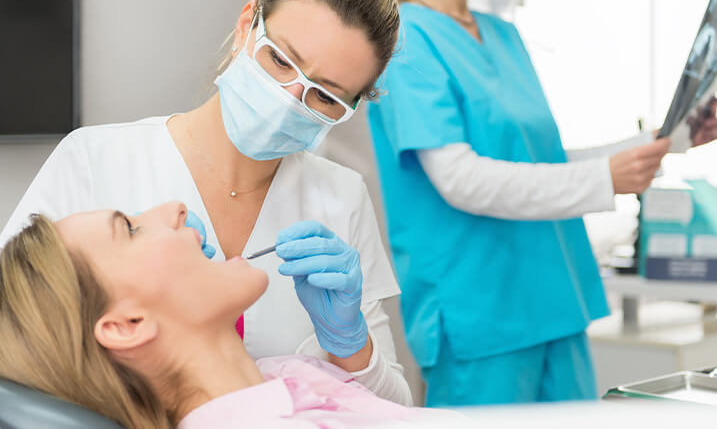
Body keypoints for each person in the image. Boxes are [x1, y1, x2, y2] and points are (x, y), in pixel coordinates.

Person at [364, 0, 717, 407]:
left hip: (555, 301)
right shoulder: (405, 42)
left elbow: (542, 159)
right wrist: (606, 180)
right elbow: (463, 180)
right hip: (480, 316)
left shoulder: (502, 36)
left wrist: (670, 141)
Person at [0, 0, 412, 404]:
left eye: (325, 96)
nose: (288, 100)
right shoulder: (93, 159)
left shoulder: (341, 196)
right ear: (245, 27)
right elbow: (15, 347)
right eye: (279, 59)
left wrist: (351, 346)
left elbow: (394, 408)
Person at [0, 203, 466, 428]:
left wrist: (351, 345)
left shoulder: (285, 374)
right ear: (127, 325)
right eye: (131, 228)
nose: (176, 207)